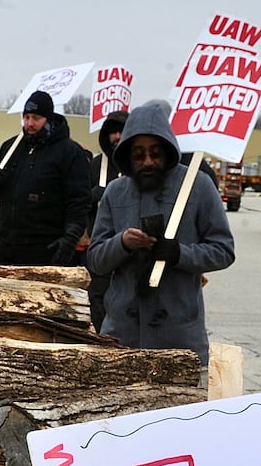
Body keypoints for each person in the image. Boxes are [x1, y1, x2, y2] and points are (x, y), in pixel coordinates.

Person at [87, 102, 235, 366]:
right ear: (127, 155)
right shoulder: (115, 191)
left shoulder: (197, 186)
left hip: (179, 336)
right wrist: (122, 243)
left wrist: (179, 253)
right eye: (139, 154)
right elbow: (96, 259)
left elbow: (223, 251)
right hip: (123, 334)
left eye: (155, 153)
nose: (148, 161)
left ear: (168, 150)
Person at [0, 90, 91, 267]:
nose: (30, 123)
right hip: (5, 242)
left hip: (44, 246)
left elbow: (79, 201)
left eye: (36, 118)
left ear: (48, 118)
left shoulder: (69, 152)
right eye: (27, 117)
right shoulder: (11, 147)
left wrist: (70, 239)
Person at [86, 109, 127, 331]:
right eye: (112, 132)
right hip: (100, 250)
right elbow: (79, 201)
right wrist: (93, 195)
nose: (117, 137)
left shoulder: (136, 167)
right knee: (97, 305)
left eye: (122, 131)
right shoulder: (96, 166)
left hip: (130, 252)